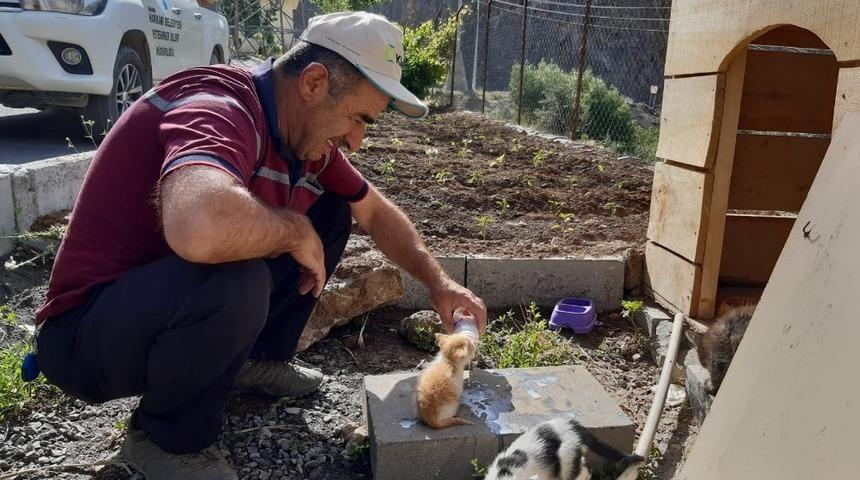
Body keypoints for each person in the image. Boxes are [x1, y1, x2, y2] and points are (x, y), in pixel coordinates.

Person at [33, 11, 487, 479]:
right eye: (357, 118)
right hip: (85, 338)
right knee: (239, 272)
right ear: (313, 83)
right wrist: (293, 231)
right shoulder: (217, 105)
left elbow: (374, 211)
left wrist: (439, 283)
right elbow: (198, 227)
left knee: (332, 208)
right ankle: (164, 440)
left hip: (156, 313)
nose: (357, 140)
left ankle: (256, 361)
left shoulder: (300, 133)